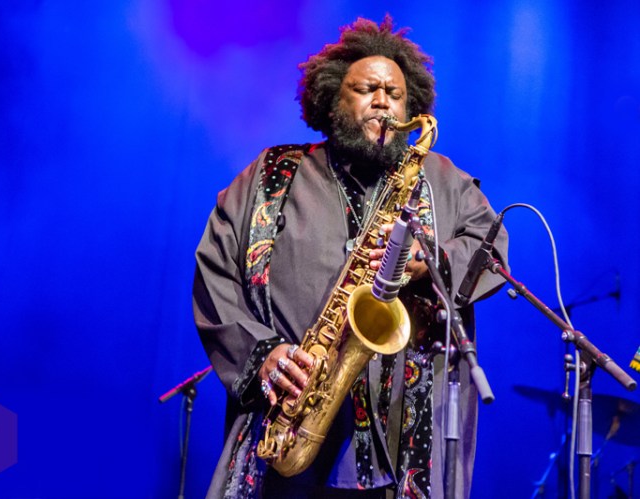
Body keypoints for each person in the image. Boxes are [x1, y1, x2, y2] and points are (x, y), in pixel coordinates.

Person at [193, 15, 508, 499]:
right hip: (287, 424)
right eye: (366, 89)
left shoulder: (444, 180)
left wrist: (427, 261)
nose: (383, 101)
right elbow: (216, 271)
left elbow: (491, 246)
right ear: (330, 100)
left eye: (395, 94)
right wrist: (263, 355)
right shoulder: (271, 174)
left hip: (402, 444)